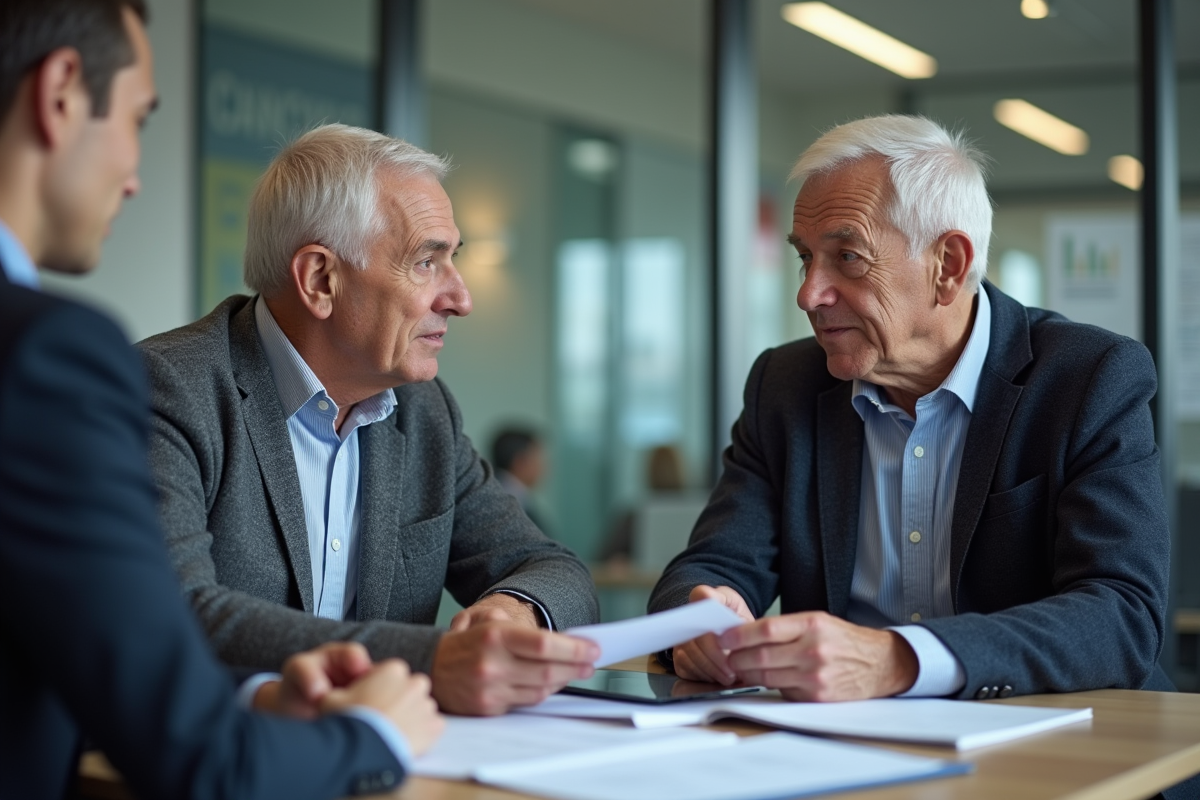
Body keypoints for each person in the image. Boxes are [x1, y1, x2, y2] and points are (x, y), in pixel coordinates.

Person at [0, 1, 442, 797]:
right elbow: (197, 758)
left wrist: (261, 693)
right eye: (137, 119)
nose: (135, 175)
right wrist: (373, 730)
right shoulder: (56, 357)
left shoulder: (424, 413)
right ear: (62, 92)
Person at [652, 115, 1174, 706]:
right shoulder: (784, 385)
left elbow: (1122, 616)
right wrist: (696, 615)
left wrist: (900, 658)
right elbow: (709, 565)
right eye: (805, 259)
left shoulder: (1088, 377)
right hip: (840, 747)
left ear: (947, 266)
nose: (808, 294)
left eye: (847, 257)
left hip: (1059, 743)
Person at [138, 123, 600, 717]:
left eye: (452, 259)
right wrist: (428, 659)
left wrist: (511, 609)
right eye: (427, 263)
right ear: (320, 280)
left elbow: (555, 569)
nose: (461, 298)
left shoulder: (424, 413)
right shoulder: (167, 388)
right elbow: (174, 610)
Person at [490, 425, 551, 533]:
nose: (544, 467)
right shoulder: (512, 503)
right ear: (520, 461)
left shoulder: (491, 491)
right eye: (538, 458)